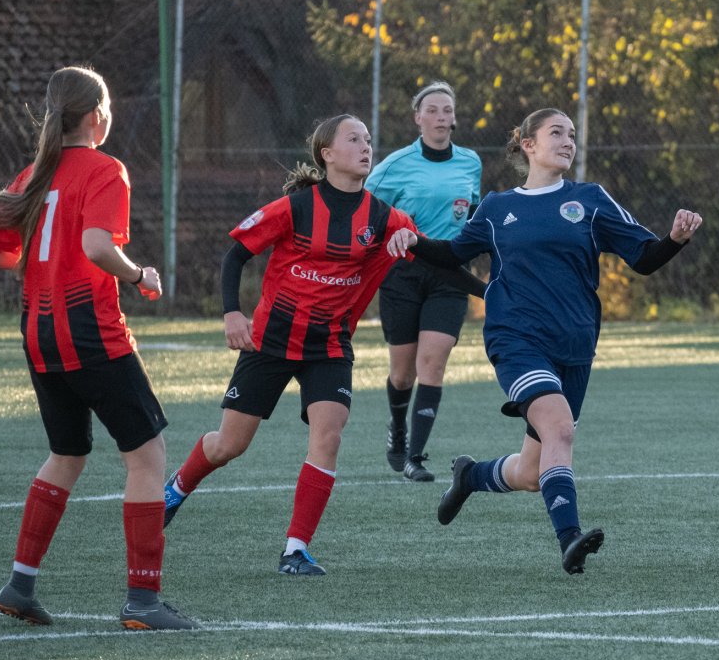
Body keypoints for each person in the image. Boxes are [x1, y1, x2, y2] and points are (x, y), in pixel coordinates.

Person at [160, 114, 482, 576]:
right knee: (229, 445)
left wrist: (489, 292)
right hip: (271, 340)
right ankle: (174, 491)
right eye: (354, 139)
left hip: (329, 344)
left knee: (328, 435)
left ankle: (295, 550)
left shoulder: (385, 218)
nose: (366, 146)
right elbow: (236, 255)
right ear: (327, 154)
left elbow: (439, 263)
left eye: (368, 139)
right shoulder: (295, 208)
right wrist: (232, 313)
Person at [386, 108, 702, 574]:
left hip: (574, 345)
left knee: (531, 473)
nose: (568, 141)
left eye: (572, 134)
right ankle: (570, 539)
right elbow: (453, 254)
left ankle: (470, 475)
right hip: (516, 339)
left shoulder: (590, 199)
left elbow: (644, 258)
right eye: (557, 132)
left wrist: (674, 238)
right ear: (528, 144)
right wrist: (414, 241)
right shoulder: (496, 208)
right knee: (560, 428)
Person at [0, 65, 198, 631]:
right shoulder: (105, 169)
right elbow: (97, 246)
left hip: (38, 330)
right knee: (146, 455)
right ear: (97, 116)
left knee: (67, 454)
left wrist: (40, 265)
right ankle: (143, 601)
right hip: (88, 329)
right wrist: (139, 274)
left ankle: (20, 585)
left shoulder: (32, 173)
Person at [364, 81, 483, 482]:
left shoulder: (470, 162)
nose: (440, 117)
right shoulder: (394, 165)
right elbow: (364, 210)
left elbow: (472, 214)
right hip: (402, 274)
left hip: (449, 273)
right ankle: (397, 428)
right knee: (403, 374)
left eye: (447, 110)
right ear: (418, 118)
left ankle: (415, 457)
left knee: (432, 362)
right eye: (432, 110)